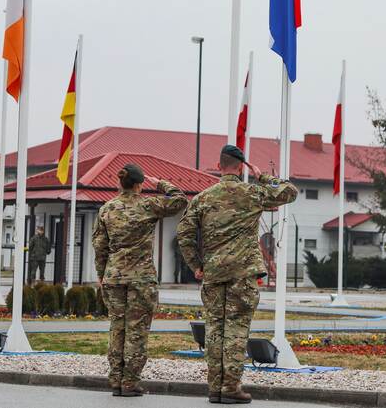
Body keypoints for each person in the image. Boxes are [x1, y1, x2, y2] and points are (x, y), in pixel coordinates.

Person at [177, 145, 298, 404]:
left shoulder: (202, 198)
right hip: (242, 274)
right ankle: (230, 388)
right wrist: (262, 175)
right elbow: (290, 192)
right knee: (236, 330)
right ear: (241, 167)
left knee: (215, 330)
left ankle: (215, 388)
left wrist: (196, 265)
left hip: (213, 273)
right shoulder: (252, 193)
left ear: (219, 166)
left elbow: (184, 235)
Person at [92, 163, 187, 397]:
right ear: (139, 184)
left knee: (117, 328)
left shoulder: (107, 209)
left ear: (119, 182)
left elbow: (99, 246)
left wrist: (102, 275)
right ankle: (130, 382)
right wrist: (160, 183)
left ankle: (116, 378)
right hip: (141, 278)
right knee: (137, 330)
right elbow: (180, 200)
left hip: (114, 277)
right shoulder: (148, 204)